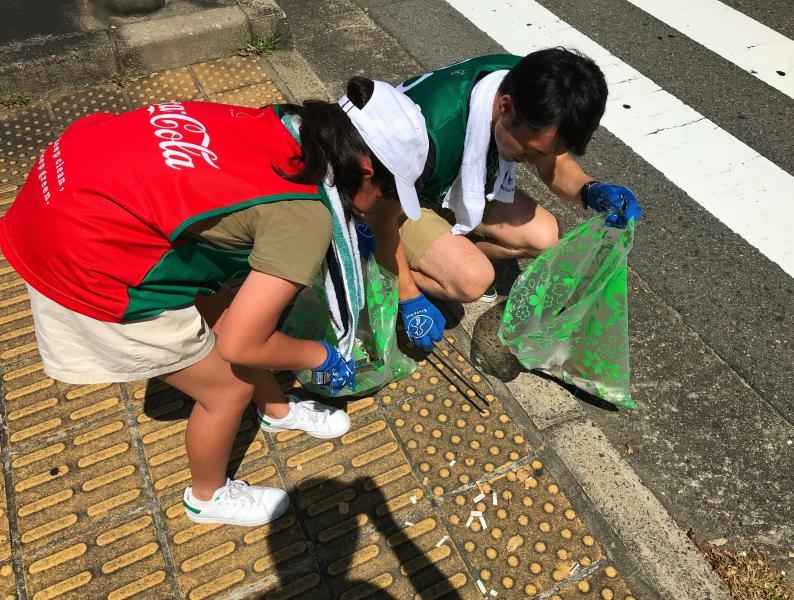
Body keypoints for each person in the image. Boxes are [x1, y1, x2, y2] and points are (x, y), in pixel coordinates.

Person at [0, 77, 429, 526]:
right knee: (228, 386)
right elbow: (240, 347)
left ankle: (276, 410)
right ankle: (208, 496)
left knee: (225, 302)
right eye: (386, 192)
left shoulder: (279, 125)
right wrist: (319, 354)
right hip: (80, 253)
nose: (379, 206)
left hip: (63, 189)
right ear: (364, 171)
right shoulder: (306, 215)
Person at [363, 49, 643, 351]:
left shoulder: (526, 84)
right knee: (472, 279)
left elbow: (555, 164)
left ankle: (444, 250)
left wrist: (591, 191)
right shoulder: (431, 133)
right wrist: (408, 297)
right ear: (505, 107)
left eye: (541, 153)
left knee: (545, 236)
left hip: (453, 182)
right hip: (397, 201)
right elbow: (377, 217)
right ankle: (381, 266)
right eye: (530, 150)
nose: (531, 162)